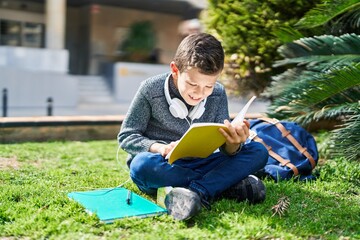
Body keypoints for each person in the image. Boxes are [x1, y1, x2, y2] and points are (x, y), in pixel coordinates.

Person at [118, 33, 268, 221]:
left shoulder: (218, 94)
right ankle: (222, 184)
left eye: (208, 86)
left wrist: (233, 144)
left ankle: (197, 191)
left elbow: (223, 145)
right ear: (175, 70)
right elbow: (127, 136)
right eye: (192, 84)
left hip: (203, 161)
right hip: (165, 165)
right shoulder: (150, 89)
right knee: (141, 166)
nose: (200, 93)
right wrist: (160, 148)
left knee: (258, 151)